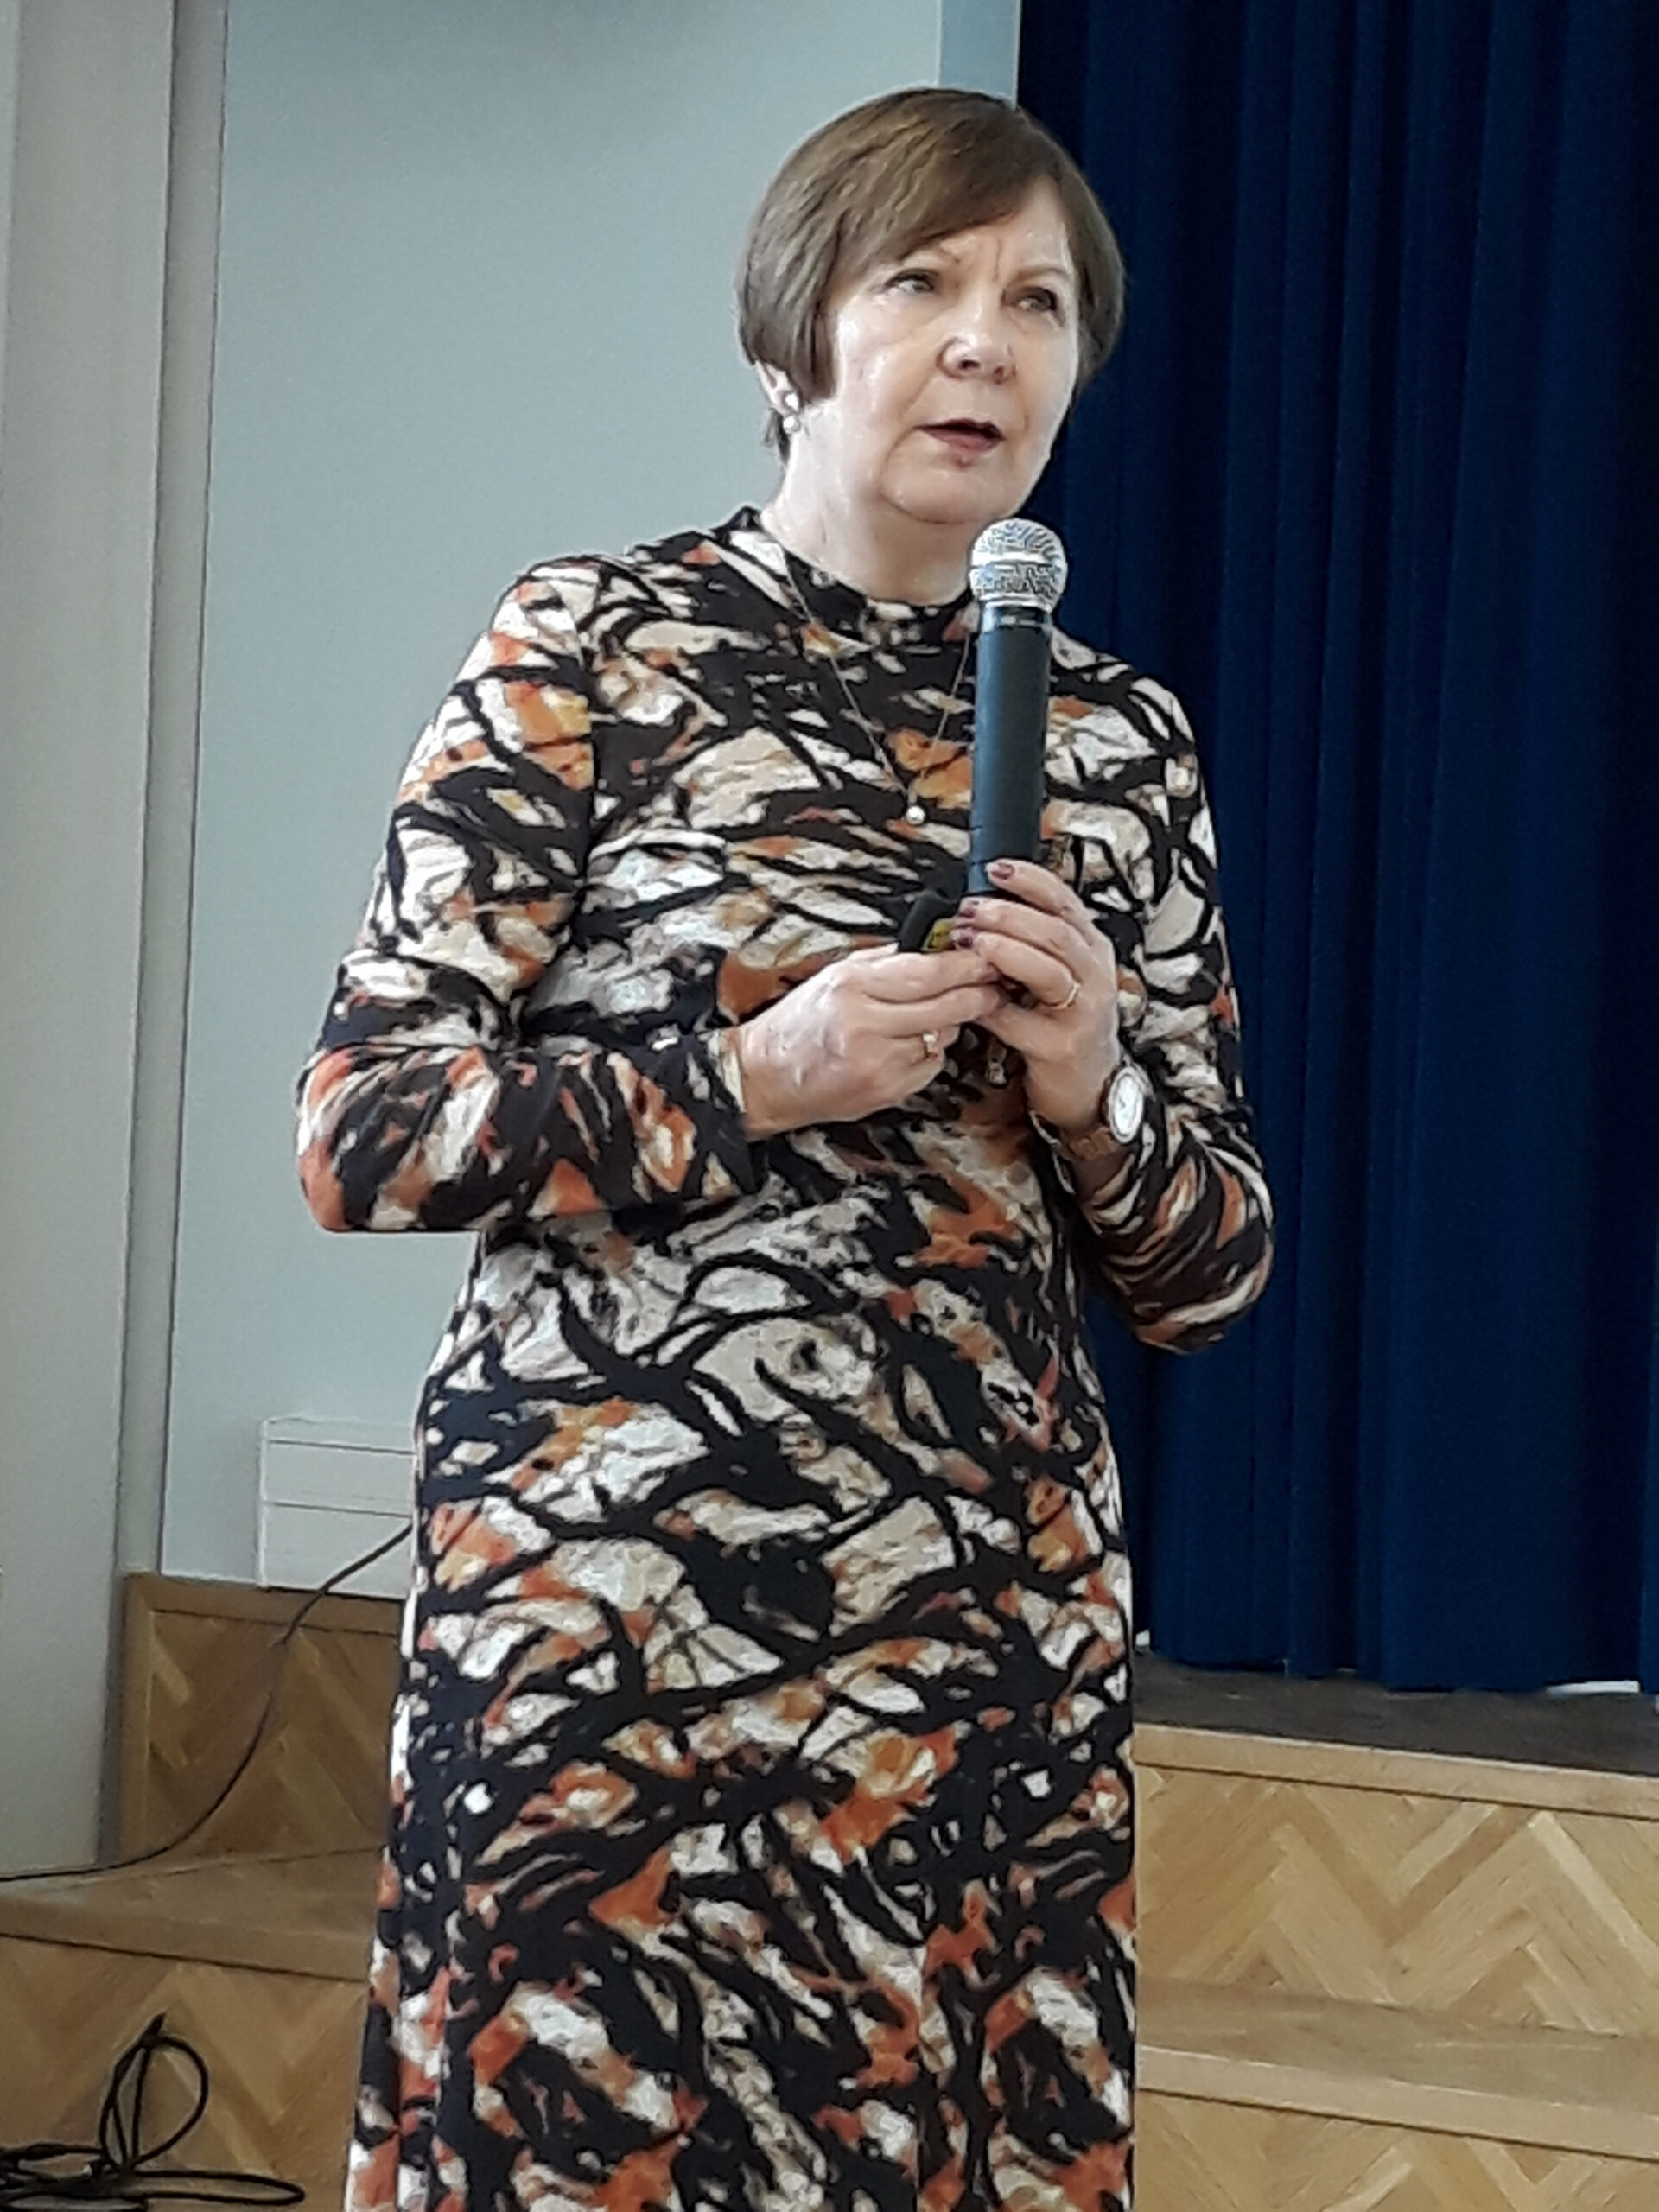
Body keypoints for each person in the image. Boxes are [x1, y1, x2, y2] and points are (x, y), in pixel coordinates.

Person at [298, 86, 1272, 2212]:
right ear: (790, 340)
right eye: (920, 282)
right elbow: (365, 1129)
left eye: (1038, 303)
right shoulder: (590, 646)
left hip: (973, 1633)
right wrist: (753, 1071)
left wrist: (1097, 1084)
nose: (985, 342)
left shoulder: (1121, 745)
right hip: (611, 1612)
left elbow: (1212, 1275)